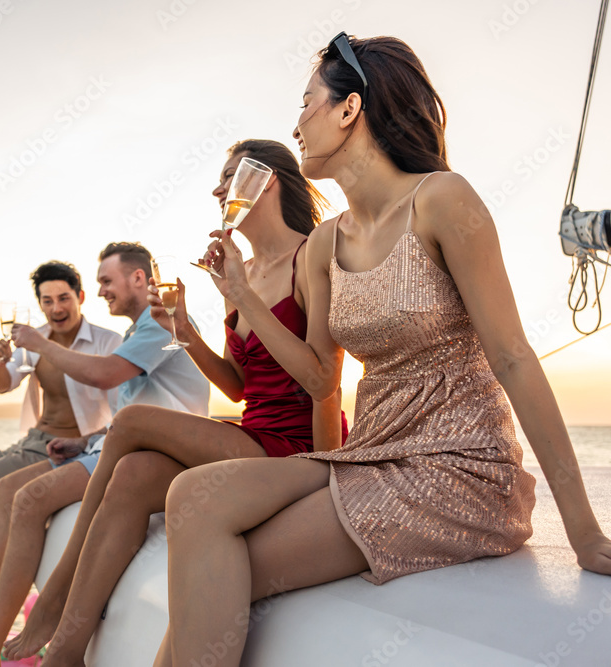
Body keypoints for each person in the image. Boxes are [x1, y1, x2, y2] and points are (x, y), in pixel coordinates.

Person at [155, 33, 611, 667]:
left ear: (349, 109)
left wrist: (584, 530)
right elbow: (319, 379)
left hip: (459, 465)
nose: (296, 124)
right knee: (192, 498)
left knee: (225, 565)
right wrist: (242, 295)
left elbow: (512, 359)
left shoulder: (443, 200)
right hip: (372, 451)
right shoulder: (322, 246)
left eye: (306, 101)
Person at [3, 140, 351, 666]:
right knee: (134, 473)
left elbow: (323, 377)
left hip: (297, 444)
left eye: (230, 176)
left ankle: (54, 595)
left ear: (267, 180)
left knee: (134, 421)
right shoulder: (242, 273)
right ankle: (66, 651)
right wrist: (186, 327)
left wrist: (241, 292)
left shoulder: (313, 251)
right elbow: (238, 386)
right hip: (254, 429)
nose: (217, 187)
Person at [0, 242, 209, 662]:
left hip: (150, 453)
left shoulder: (159, 325)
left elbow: (106, 377)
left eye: (106, 281)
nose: (103, 290)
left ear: (137, 278)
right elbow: (125, 411)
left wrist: (41, 342)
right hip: (101, 445)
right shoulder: (137, 331)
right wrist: (85, 441)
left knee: (25, 497)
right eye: (46, 300)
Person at [0, 261, 120, 622]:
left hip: (70, 447)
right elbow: (4, 384)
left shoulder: (106, 342)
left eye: (63, 298)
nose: (56, 308)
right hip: (32, 439)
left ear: (81, 297)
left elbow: (121, 404)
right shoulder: (35, 341)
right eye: (47, 301)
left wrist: (90, 443)